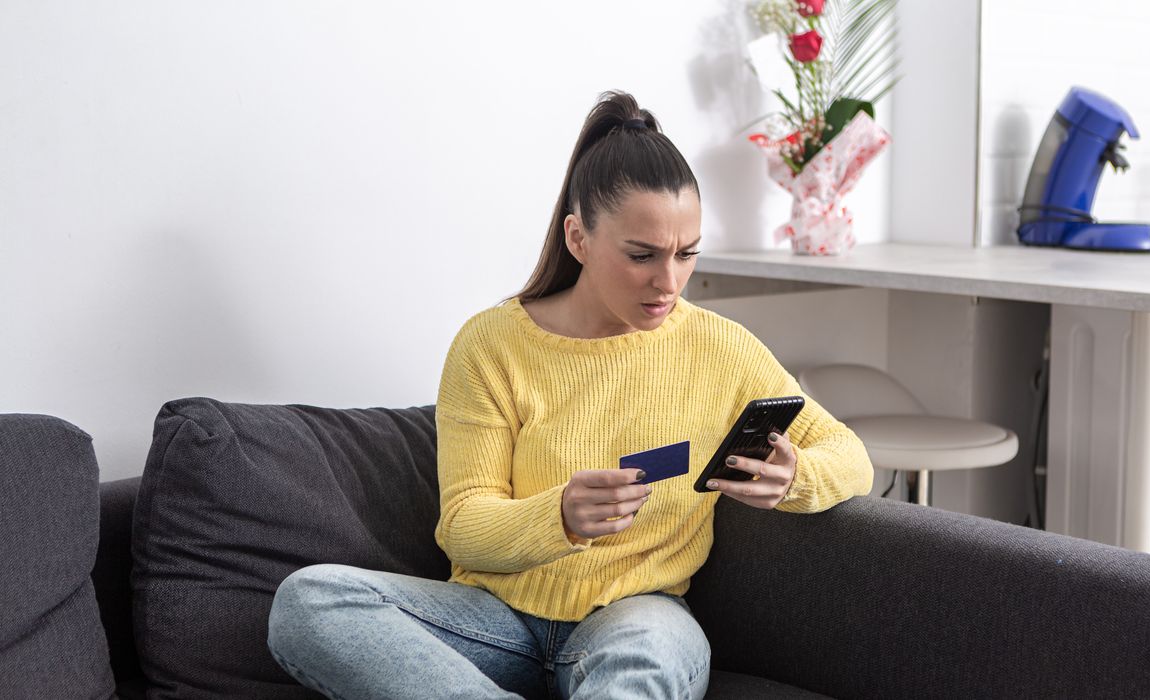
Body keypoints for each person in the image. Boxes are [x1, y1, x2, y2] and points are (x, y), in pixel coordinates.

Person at [266, 90, 873, 700]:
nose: (669, 282)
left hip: (637, 616)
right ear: (578, 238)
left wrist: (794, 478)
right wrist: (557, 516)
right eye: (642, 255)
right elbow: (464, 526)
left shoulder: (722, 349)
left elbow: (851, 456)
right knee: (310, 601)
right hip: (493, 620)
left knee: (650, 653)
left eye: (687, 254)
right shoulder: (491, 345)